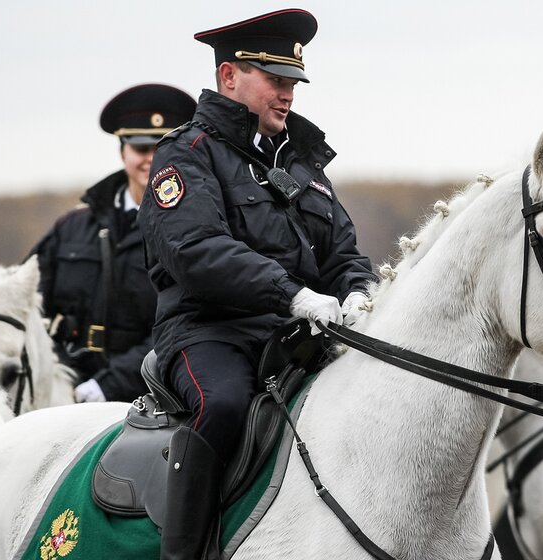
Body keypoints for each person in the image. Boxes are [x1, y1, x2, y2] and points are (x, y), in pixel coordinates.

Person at [137, 9, 376, 559]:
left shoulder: (304, 163)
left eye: (293, 82)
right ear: (229, 76)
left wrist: (359, 292)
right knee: (223, 405)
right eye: (274, 79)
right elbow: (196, 250)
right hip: (208, 332)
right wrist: (293, 295)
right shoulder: (185, 153)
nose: (287, 93)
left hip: (296, 334)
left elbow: (343, 253)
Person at [31, 84, 197, 403]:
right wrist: (58, 375)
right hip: (64, 392)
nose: (152, 159)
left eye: (163, 148)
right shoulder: (73, 227)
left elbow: (190, 326)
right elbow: (28, 302)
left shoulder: (199, 231)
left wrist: (107, 385)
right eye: (141, 148)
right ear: (123, 152)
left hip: (155, 397)